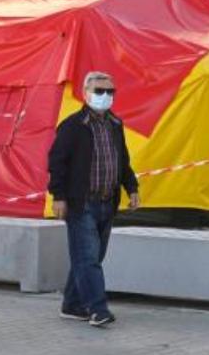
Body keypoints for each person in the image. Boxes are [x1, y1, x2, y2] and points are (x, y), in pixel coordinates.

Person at [48, 71, 140, 328]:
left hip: (106, 201)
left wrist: (131, 187)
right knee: (87, 258)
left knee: (90, 257)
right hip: (81, 203)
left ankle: (72, 304)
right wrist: (58, 196)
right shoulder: (72, 126)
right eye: (99, 91)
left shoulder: (115, 124)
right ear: (86, 92)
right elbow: (57, 163)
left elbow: (122, 161)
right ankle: (98, 309)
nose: (105, 96)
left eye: (110, 92)